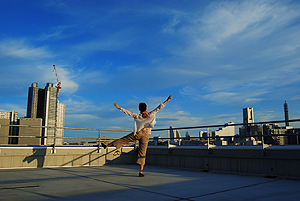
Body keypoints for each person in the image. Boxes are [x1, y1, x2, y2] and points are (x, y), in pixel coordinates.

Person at [102, 95, 172, 177]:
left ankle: (107, 145)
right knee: (142, 152)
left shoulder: (137, 116)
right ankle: (141, 172)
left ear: (139, 109)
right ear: (146, 108)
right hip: (145, 135)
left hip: (138, 133)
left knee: (124, 140)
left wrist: (119, 107)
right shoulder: (151, 113)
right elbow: (159, 108)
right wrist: (167, 100)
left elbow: (128, 113)